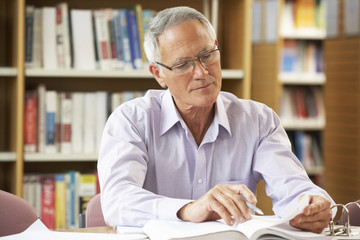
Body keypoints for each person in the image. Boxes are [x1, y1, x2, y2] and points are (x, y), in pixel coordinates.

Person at [98, 6, 334, 233]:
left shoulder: (258, 121)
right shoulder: (131, 121)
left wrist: (313, 205)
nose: (202, 72)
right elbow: (117, 200)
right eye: (183, 64)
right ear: (159, 74)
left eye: (207, 55)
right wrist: (189, 209)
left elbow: (293, 189)